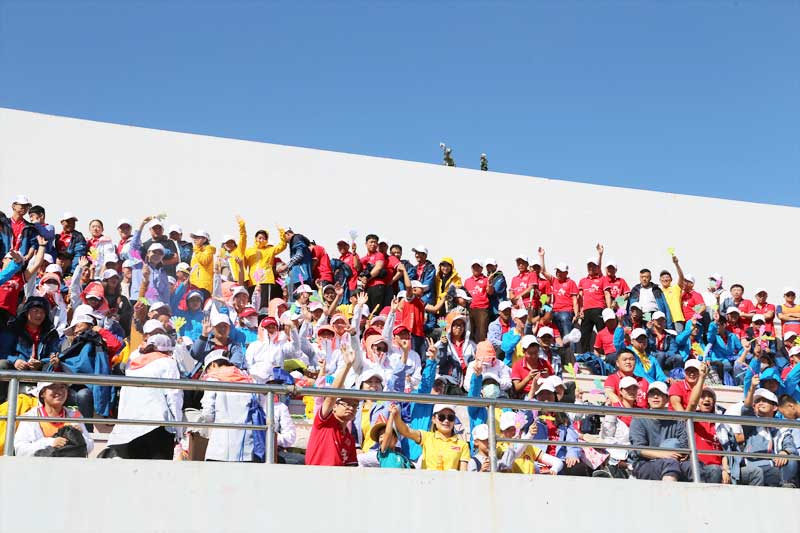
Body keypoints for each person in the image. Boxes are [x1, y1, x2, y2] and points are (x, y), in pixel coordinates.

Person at [107, 334, 183, 459]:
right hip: (157, 425)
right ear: (168, 351)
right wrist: (178, 429)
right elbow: (174, 396)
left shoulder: (132, 365)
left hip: (128, 429)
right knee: (159, 470)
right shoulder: (168, 363)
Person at [200, 349, 264, 462]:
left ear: (213, 365)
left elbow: (208, 414)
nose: (207, 373)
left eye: (207, 369)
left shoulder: (213, 380)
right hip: (246, 449)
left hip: (219, 449)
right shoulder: (250, 380)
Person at [628, 381, 695, 481]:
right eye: (652, 394)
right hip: (645, 463)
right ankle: (668, 491)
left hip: (675, 460)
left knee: (697, 467)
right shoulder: (639, 418)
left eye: (659, 394)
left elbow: (684, 446)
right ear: (648, 398)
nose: (655, 397)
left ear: (667, 398)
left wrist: (679, 454)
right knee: (670, 463)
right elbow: (638, 449)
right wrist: (663, 454)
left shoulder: (677, 419)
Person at [0, 296, 61, 403]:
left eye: (42, 312)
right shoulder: (13, 328)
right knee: (2, 365)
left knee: (55, 366)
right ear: (26, 311)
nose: (39, 315)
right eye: (35, 311)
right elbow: (3, 352)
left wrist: (41, 363)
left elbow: (54, 354)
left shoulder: (51, 333)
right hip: (17, 369)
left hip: (40, 371)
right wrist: (15, 361)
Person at [305, 345, 359, 466]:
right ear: (334, 406)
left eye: (355, 405)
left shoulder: (349, 438)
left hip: (339, 477)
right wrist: (347, 366)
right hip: (316, 475)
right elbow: (331, 396)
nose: (351, 407)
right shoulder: (324, 421)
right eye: (346, 403)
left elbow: (351, 468)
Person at [736, 384, 798, 487]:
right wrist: (752, 388)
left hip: (774, 467)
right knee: (768, 473)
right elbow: (746, 410)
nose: (760, 403)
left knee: (791, 458)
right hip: (753, 466)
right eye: (757, 401)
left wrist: (785, 452)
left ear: (774, 407)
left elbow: (790, 445)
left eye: (764, 401)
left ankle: (786, 487)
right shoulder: (751, 424)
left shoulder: (781, 429)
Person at [14, 382, 94, 457]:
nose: (59, 391)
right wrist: (50, 443)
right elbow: (20, 450)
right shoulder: (31, 417)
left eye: (62, 387)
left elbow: (89, 447)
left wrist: (80, 436)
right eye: (53, 387)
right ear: (42, 393)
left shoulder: (74, 415)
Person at [391, 402, 469, 471]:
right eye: (441, 417)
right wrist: (396, 416)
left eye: (450, 417)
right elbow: (406, 431)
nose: (446, 421)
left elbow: (463, 473)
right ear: (433, 419)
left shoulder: (463, 445)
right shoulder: (427, 437)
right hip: (428, 482)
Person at [597, 375, 639, 478]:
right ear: (621, 391)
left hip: (635, 452)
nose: (632, 391)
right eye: (628, 389)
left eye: (634, 388)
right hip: (618, 452)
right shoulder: (614, 410)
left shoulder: (641, 411)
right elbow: (607, 436)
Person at [538, 248, 579, 340]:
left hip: (566, 312)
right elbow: (543, 271)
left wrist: (576, 314)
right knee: (558, 337)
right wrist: (542, 256)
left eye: (560, 271)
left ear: (566, 273)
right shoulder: (554, 281)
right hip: (554, 312)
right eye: (557, 271)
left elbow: (575, 300)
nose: (558, 273)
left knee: (568, 337)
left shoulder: (571, 282)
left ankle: (570, 349)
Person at [245, 225, 287, 302]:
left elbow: (283, 245)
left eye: (264, 238)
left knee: (264, 304)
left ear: (267, 240)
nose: (261, 240)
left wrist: (281, 232)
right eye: (260, 238)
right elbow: (243, 265)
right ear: (255, 238)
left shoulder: (270, 250)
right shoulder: (248, 251)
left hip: (266, 280)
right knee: (252, 303)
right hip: (252, 281)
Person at [577, 245, 606, 353]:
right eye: (589, 266)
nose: (591, 268)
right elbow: (580, 297)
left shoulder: (602, 278)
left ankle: (604, 353)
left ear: (597, 267)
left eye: (593, 266)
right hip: (586, 310)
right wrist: (580, 310)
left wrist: (600, 254)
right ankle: (585, 354)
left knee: (602, 332)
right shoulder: (583, 280)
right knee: (585, 334)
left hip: (599, 308)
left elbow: (600, 266)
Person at [463, 259, 492, 342]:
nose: (475, 269)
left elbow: (490, 293)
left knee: (481, 333)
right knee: (469, 332)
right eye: (474, 267)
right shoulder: (467, 281)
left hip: (482, 309)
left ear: (481, 268)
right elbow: (464, 295)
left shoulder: (486, 279)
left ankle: (480, 349)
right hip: (469, 309)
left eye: (478, 267)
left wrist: (489, 284)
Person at [188, 229, 215, 296]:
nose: (195, 239)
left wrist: (197, 249)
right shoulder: (197, 250)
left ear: (205, 239)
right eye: (194, 237)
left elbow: (204, 261)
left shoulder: (208, 249)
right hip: (194, 284)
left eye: (198, 237)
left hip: (204, 286)